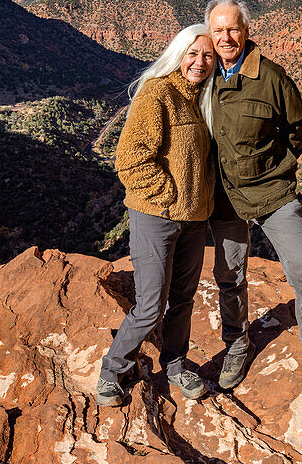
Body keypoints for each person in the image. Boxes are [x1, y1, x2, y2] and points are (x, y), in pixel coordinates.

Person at [204, 0, 302, 396]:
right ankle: (237, 345)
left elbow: (298, 124)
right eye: (218, 30)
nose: (226, 37)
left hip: (273, 191)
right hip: (224, 197)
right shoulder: (201, 75)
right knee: (229, 277)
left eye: (233, 29)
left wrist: (280, 165)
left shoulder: (271, 77)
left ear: (246, 31)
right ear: (209, 34)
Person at [96, 24, 217, 407]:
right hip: (157, 216)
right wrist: (168, 196)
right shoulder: (157, 93)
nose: (200, 62)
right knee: (151, 304)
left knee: (182, 298)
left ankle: (177, 364)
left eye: (208, 55)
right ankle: (113, 369)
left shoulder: (205, 98)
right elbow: (129, 161)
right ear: (177, 53)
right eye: (193, 53)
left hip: (195, 219)